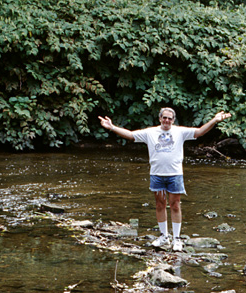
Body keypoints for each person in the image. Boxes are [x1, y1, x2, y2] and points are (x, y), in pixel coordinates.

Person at [98, 108, 231, 252]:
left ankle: (177, 238)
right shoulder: (150, 132)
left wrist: (215, 120)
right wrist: (112, 127)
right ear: (160, 118)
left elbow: (199, 132)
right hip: (157, 175)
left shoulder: (180, 131)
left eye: (170, 118)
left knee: (175, 205)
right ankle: (164, 236)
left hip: (175, 174)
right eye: (164, 118)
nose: (167, 120)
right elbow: (130, 135)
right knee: (160, 205)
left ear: (173, 120)